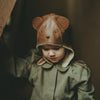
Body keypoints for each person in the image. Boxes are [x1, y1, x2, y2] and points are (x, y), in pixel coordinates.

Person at [15, 13, 95, 100]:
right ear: (40, 48)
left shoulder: (78, 71)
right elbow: (12, 66)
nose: (51, 53)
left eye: (56, 48)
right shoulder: (33, 64)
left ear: (67, 47)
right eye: (46, 49)